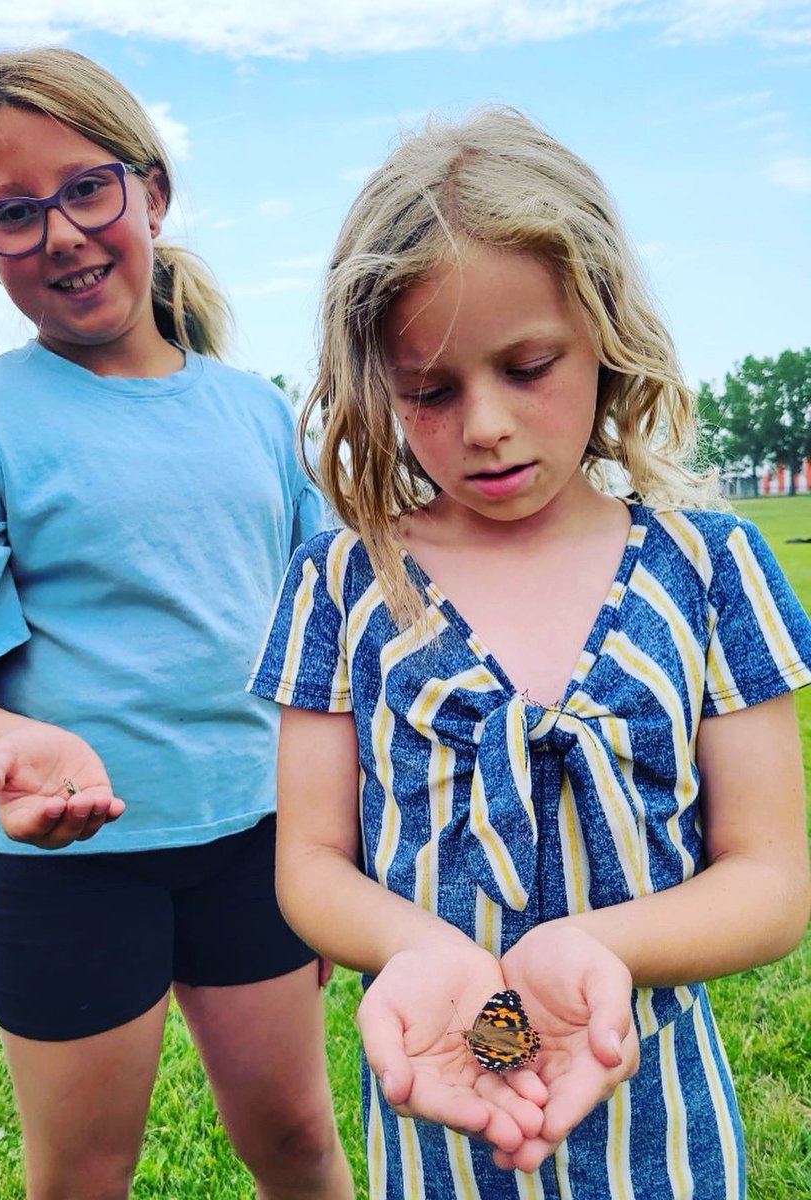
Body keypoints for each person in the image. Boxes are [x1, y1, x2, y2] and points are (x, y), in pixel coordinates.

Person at [247, 106, 811, 1198]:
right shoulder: (339, 581)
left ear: (605, 329)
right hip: (439, 1099)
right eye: (431, 390)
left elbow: (773, 879)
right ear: (377, 387)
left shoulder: (710, 567)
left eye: (529, 365)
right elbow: (311, 861)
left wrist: (604, 949)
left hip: (661, 1119)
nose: (489, 424)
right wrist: (425, 952)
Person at [0, 47, 354, 1200]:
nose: (62, 236)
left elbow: (323, 649)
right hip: (68, 876)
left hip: (257, 848)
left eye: (88, 189)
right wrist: (5, 747)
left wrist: (336, 851)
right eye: (13, 215)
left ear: (152, 191)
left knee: (296, 1143)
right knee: (81, 1175)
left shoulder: (255, 413)